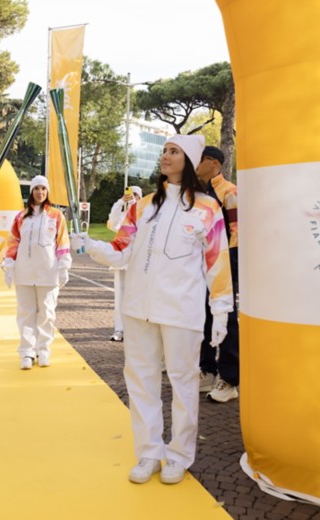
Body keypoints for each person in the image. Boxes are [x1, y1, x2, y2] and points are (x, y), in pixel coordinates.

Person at [73, 135, 233, 485]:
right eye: (164, 151)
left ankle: (179, 454)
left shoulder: (207, 208)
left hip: (181, 310)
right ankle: (149, 452)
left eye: (173, 152)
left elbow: (217, 262)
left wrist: (221, 310)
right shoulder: (143, 206)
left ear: (189, 161)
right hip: (139, 308)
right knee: (141, 383)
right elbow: (122, 250)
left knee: (184, 383)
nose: (165, 156)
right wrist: (91, 246)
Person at [1, 175, 72, 370]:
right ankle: (26, 352)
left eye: (43, 189)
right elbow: (13, 241)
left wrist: (64, 266)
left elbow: (62, 242)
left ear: (47, 192)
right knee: (25, 313)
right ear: (31, 192)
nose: (40, 192)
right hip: (24, 272)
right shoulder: (21, 216)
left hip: (48, 272)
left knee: (47, 313)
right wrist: (9, 264)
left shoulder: (56, 216)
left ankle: (43, 349)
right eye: (36, 189)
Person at [195, 146, 240, 403]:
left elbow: (237, 233)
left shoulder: (229, 191)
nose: (195, 165)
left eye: (199, 160)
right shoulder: (199, 193)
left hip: (225, 263)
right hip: (201, 264)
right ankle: (207, 370)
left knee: (227, 317)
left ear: (213, 163)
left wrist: (227, 267)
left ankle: (230, 380)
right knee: (202, 314)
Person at [106, 185, 143, 342]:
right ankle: (119, 329)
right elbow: (111, 223)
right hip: (121, 262)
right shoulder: (122, 216)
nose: (132, 197)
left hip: (138, 263)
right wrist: (120, 202)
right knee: (120, 298)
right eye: (130, 194)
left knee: (137, 297)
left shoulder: (145, 216)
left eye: (136, 195)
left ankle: (135, 331)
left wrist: (136, 205)